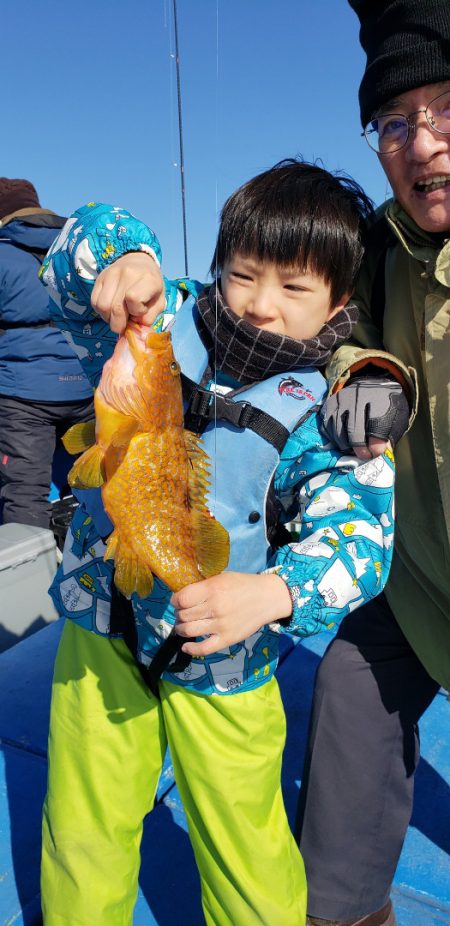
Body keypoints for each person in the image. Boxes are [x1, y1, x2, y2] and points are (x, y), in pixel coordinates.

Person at [39, 160, 397, 926]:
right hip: (103, 631)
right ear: (214, 269)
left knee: (245, 845)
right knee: (82, 822)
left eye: (295, 288)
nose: (261, 304)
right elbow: (72, 264)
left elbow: (361, 539)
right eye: (242, 274)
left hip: (226, 659)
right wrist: (122, 256)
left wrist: (273, 593)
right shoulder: (160, 323)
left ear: (339, 300)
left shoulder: (330, 416)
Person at [295, 3, 450, 925]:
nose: (424, 145)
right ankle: (339, 911)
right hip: (417, 579)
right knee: (352, 680)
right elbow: (302, 317)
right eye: (396, 122)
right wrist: (358, 367)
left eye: (447, 108)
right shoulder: (377, 249)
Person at [0, 178, 94, 529]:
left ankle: (28, 578)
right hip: (84, 390)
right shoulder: (78, 251)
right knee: (96, 483)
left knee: (24, 493)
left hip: (23, 399)